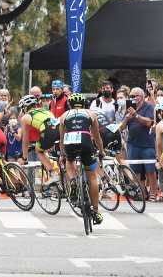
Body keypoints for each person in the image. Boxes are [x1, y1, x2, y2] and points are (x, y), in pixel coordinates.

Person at [59, 93, 106, 225]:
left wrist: (63, 155)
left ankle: (73, 182)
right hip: (85, 141)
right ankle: (96, 212)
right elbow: (97, 136)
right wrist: (101, 151)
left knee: (69, 160)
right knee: (92, 178)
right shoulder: (91, 114)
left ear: (70, 105)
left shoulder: (63, 116)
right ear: (84, 104)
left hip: (69, 142)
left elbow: (62, 139)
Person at [120, 87, 157, 200]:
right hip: (132, 144)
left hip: (147, 143)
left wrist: (136, 115)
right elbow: (121, 128)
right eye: (130, 96)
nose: (131, 98)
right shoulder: (129, 108)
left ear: (140, 97)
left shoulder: (149, 107)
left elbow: (149, 122)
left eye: (133, 96)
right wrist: (126, 119)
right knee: (135, 171)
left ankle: (153, 194)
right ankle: (141, 193)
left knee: (150, 170)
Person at [19, 95, 60, 184]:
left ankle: (53, 174)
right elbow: (53, 125)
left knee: (39, 151)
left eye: (22, 109)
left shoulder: (25, 117)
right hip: (60, 129)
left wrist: (24, 158)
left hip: (48, 131)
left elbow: (25, 141)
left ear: (25, 108)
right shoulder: (46, 110)